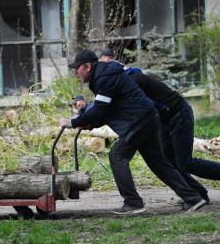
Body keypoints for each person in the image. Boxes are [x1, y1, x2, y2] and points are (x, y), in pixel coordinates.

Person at [60, 49, 207, 215]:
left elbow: (100, 110)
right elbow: (108, 110)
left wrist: (72, 122)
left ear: (87, 67)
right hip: (147, 118)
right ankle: (193, 198)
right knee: (158, 162)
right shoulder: (102, 75)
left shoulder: (104, 77)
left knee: (117, 156)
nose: (74, 72)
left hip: (138, 121)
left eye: (76, 68)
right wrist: (90, 125)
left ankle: (133, 203)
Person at [100, 48, 220, 203]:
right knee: (168, 161)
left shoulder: (134, 81)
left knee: (185, 162)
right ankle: (197, 194)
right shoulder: (127, 81)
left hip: (178, 114)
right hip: (163, 121)